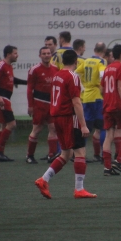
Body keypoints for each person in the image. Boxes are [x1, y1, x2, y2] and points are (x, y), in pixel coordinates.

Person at [35, 50, 97, 199]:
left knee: (66, 153)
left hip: (57, 117)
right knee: (80, 152)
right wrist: (83, 125)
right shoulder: (73, 76)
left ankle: (44, 179)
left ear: (63, 61)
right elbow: (76, 101)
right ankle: (79, 189)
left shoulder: (57, 75)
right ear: (76, 61)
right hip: (69, 117)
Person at [100, 44, 121, 176]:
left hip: (107, 105)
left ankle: (107, 168)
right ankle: (119, 160)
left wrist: (107, 99)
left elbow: (102, 89)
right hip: (117, 105)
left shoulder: (108, 68)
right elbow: (120, 86)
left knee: (109, 136)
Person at [0, 45, 27, 162]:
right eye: (15, 53)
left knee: (3, 125)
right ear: (8, 54)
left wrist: (28, 82)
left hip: (5, 97)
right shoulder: (1, 64)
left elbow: (13, 80)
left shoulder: (9, 66)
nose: (17, 55)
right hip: (2, 97)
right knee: (12, 124)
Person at [26, 47, 60, 164]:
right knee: (37, 129)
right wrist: (30, 105)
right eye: (44, 53)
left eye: (48, 53)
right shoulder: (34, 70)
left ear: (51, 55)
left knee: (53, 128)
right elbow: (30, 89)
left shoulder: (56, 68)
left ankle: (52, 155)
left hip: (52, 105)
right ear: (40, 55)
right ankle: (30, 155)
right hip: (39, 103)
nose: (46, 55)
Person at [75, 42, 107, 162]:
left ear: (94, 50)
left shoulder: (86, 60)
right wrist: (103, 89)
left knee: (85, 128)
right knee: (103, 127)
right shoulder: (101, 62)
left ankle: (81, 155)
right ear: (104, 51)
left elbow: (76, 73)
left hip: (86, 97)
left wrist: (83, 87)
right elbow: (102, 75)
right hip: (97, 97)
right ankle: (105, 155)